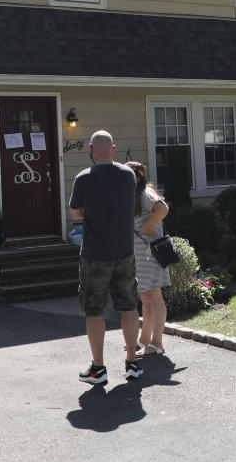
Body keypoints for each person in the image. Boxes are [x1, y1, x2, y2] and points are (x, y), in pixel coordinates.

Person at [69, 130, 143, 385]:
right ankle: (132, 362)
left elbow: (75, 213)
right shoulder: (128, 175)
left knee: (94, 310)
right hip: (124, 251)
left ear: (90, 148)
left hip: (94, 255)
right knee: (129, 306)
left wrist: (89, 212)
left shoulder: (83, 178)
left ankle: (98, 369)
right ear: (113, 149)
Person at [128, 161, 171, 357]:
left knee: (154, 296)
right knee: (145, 296)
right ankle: (145, 339)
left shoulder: (145, 192)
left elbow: (162, 208)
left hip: (149, 252)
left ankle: (157, 344)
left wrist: (146, 227)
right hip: (140, 253)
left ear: (137, 177)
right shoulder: (134, 194)